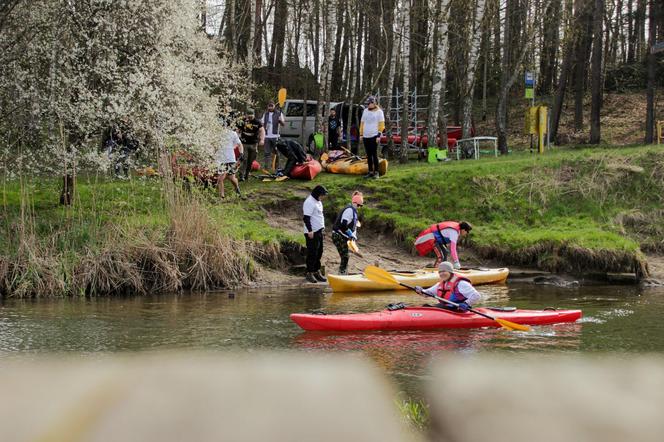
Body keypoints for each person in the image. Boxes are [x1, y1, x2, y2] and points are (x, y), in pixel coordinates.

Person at [414, 261, 482, 312]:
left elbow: (476, 295)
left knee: (432, 307)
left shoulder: (461, 283)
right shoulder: (440, 284)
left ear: (450, 272)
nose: (441, 274)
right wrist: (420, 290)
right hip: (446, 309)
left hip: (458, 310)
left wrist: (466, 303)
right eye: (440, 272)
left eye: (444, 271)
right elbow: (427, 293)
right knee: (425, 306)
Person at [332, 191, 364, 275]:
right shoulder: (349, 210)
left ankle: (344, 273)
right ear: (355, 203)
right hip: (337, 235)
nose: (359, 207)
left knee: (345, 256)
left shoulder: (354, 211)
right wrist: (350, 234)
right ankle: (341, 274)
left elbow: (353, 226)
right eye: (359, 205)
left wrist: (353, 235)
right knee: (345, 256)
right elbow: (343, 225)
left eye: (361, 206)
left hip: (343, 236)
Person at [303, 185, 328, 283]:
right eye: (322, 195)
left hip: (319, 230)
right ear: (317, 194)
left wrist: (323, 229)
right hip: (312, 232)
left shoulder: (318, 202)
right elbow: (306, 218)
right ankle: (309, 272)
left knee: (319, 251)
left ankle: (317, 271)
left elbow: (319, 216)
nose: (323, 197)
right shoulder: (309, 202)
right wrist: (310, 230)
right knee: (312, 253)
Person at [359, 96, 385, 179]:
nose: (368, 105)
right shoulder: (365, 111)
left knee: (374, 154)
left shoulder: (379, 112)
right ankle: (370, 172)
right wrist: (361, 134)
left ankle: (376, 172)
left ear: (374, 103)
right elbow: (362, 123)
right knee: (368, 155)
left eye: (369, 103)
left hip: (374, 135)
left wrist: (378, 135)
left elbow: (381, 125)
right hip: (366, 135)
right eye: (367, 104)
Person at [215, 127, 244, 199]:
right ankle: (222, 196)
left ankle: (237, 190)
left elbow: (240, 144)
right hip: (220, 160)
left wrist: (241, 154)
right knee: (220, 178)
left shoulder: (232, 133)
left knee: (232, 178)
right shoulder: (215, 134)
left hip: (230, 159)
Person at [238, 108, 265, 181]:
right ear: (246, 114)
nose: (250, 116)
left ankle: (247, 174)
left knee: (251, 161)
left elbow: (262, 131)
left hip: (253, 144)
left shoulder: (257, 122)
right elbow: (238, 130)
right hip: (244, 144)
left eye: (251, 115)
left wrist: (262, 140)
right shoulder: (242, 121)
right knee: (244, 159)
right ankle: (241, 176)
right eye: (248, 115)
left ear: (254, 115)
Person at [261, 101, 285, 171]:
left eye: (272, 106)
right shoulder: (265, 114)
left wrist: (280, 121)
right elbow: (262, 124)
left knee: (277, 152)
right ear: (267, 106)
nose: (270, 107)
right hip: (267, 136)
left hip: (275, 136)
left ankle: (277, 167)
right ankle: (267, 168)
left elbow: (283, 124)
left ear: (274, 106)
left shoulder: (279, 113)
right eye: (269, 106)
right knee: (266, 153)